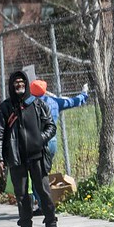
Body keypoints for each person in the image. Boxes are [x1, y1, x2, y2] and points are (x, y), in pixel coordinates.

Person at [0, 71, 61, 227]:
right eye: (16, 83)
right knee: (22, 194)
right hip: (16, 158)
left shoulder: (37, 104)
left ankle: (51, 223)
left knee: (44, 191)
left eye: (22, 82)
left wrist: (40, 139)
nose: (19, 85)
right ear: (11, 85)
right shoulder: (6, 107)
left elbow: (51, 126)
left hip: (37, 155)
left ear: (26, 84)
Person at [29, 79, 89, 215]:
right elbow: (73, 101)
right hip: (52, 142)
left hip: (36, 143)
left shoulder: (29, 104)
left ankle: (42, 204)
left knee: (35, 175)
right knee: (44, 173)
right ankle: (45, 202)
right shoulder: (55, 102)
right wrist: (84, 94)